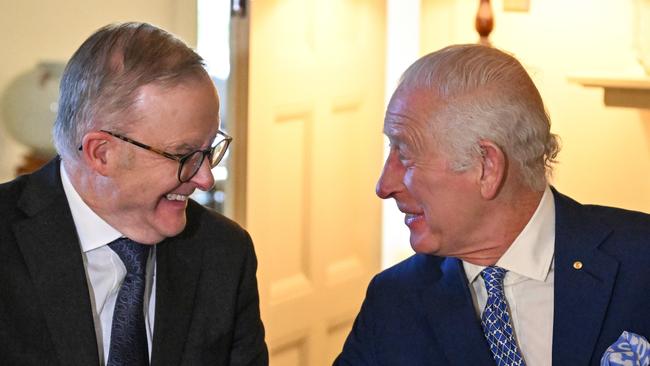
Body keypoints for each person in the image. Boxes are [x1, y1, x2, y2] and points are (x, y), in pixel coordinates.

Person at [335, 44, 650, 366]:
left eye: (405, 155)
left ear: (487, 166)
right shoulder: (394, 302)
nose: (384, 186)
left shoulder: (641, 262)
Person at [0, 22, 267, 365]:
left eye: (210, 148)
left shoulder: (224, 253)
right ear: (101, 153)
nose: (205, 178)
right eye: (184, 155)